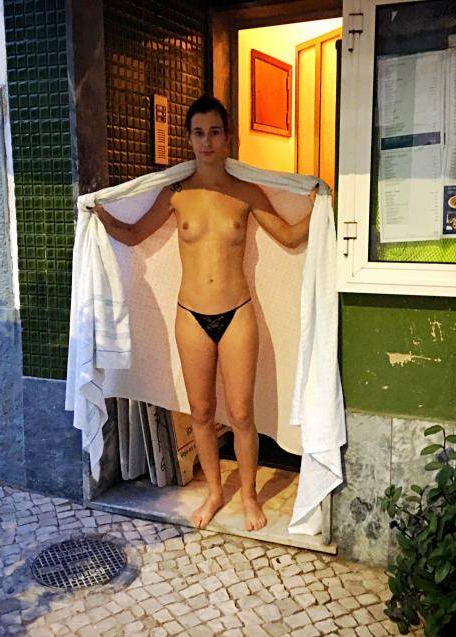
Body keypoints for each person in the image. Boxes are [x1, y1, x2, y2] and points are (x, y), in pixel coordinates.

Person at [92, 96, 314, 532]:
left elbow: (289, 237)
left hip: (238, 313)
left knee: (242, 413)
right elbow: (134, 235)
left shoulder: (245, 193)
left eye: (214, 132)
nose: (207, 141)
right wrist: (98, 215)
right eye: (199, 133)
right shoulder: (177, 194)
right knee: (201, 412)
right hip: (191, 315)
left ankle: (248, 495)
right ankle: (214, 492)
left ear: (227, 137)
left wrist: (323, 208)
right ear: (189, 139)